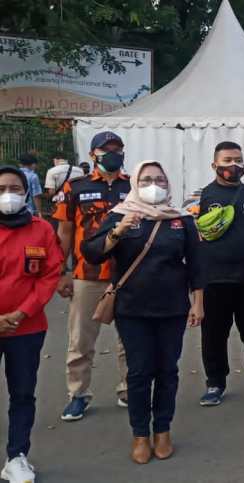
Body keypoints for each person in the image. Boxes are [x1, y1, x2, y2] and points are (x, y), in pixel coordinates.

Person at [81, 161, 204, 464]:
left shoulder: (181, 219)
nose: (154, 185)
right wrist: (117, 232)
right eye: (147, 179)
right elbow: (92, 253)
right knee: (138, 372)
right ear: (135, 183)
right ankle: (140, 434)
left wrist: (198, 302)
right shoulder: (120, 215)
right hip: (132, 308)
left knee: (167, 370)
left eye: (160, 180)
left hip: (172, 307)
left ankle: (162, 430)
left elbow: (197, 264)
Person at [52, 131, 130, 421]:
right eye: (106, 149)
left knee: (130, 337)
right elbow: (64, 232)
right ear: (92, 155)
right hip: (88, 274)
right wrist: (62, 272)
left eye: (117, 149)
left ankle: (129, 388)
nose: (113, 154)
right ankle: (78, 394)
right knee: (80, 340)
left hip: (127, 274)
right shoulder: (76, 187)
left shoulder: (133, 185)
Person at [195, 142, 244, 406]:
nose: (233, 165)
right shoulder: (200, 197)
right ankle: (215, 383)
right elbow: (192, 239)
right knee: (213, 335)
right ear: (214, 164)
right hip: (213, 279)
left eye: (238, 160)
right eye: (227, 160)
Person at [0, 166, 62, 483]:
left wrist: (22, 313)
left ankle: (16, 457)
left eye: (14, 188)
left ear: (26, 192)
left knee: (23, 394)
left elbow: (50, 275)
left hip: (27, 328)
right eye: (1, 189)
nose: (8, 194)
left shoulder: (41, 230)